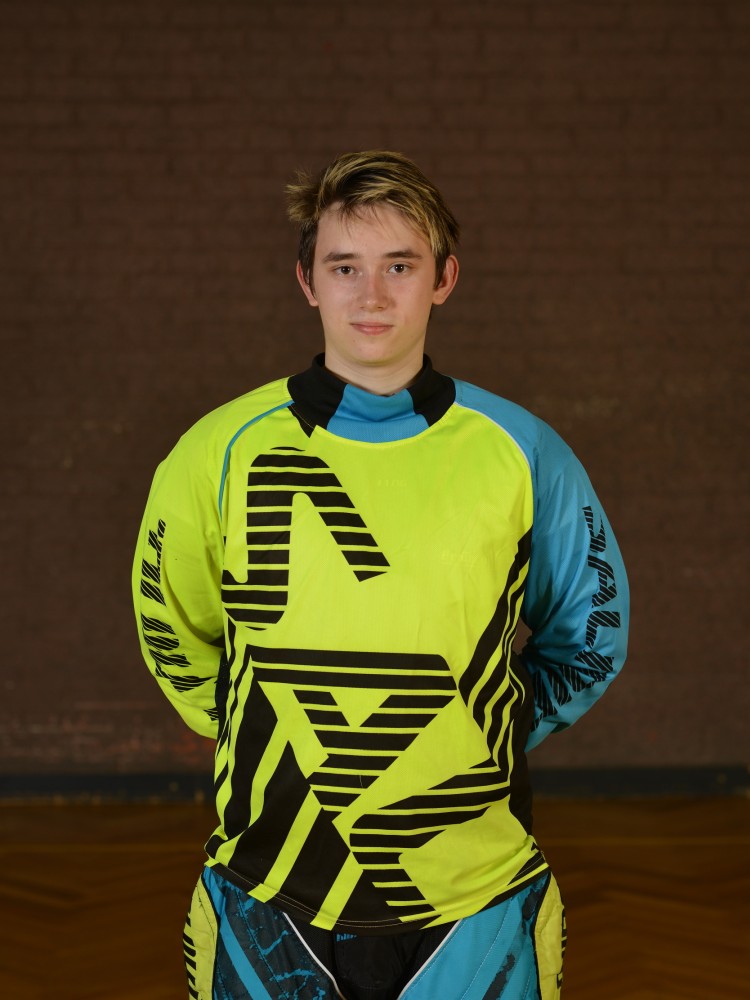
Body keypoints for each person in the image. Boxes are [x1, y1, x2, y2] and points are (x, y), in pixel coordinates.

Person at [133, 150, 629, 1000]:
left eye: (400, 266)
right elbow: (170, 631)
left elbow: (591, 636)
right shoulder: (214, 452)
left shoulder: (522, 451)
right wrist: (271, 735)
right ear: (307, 282)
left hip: (476, 894)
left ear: (444, 280)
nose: (371, 295)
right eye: (345, 267)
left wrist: (479, 734)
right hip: (269, 888)